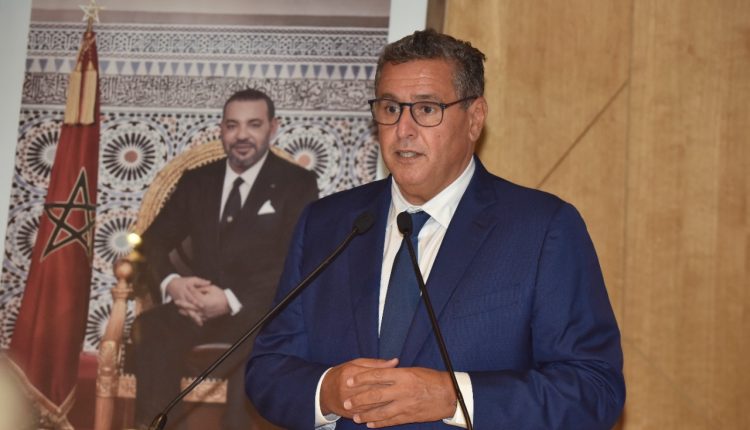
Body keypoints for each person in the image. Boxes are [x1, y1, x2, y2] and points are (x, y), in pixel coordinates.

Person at [245, 29, 625, 429]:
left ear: (474, 119)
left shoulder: (542, 229)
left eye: (426, 109)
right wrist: (327, 390)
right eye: (391, 108)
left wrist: (453, 397)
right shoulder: (327, 224)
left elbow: (593, 389)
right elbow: (268, 369)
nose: (403, 129)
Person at [131, 88, 319, 429]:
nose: (242, 135)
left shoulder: (297, 184)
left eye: (253, 124)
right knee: (151, 327)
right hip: (194, 307)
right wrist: (173, 285)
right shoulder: (197, 182)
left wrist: (230, 300)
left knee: (259, 341)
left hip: (258, 311)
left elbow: (297, 261)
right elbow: (151, 243)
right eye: (232, 125)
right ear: (221, 130)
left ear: (273, 127)